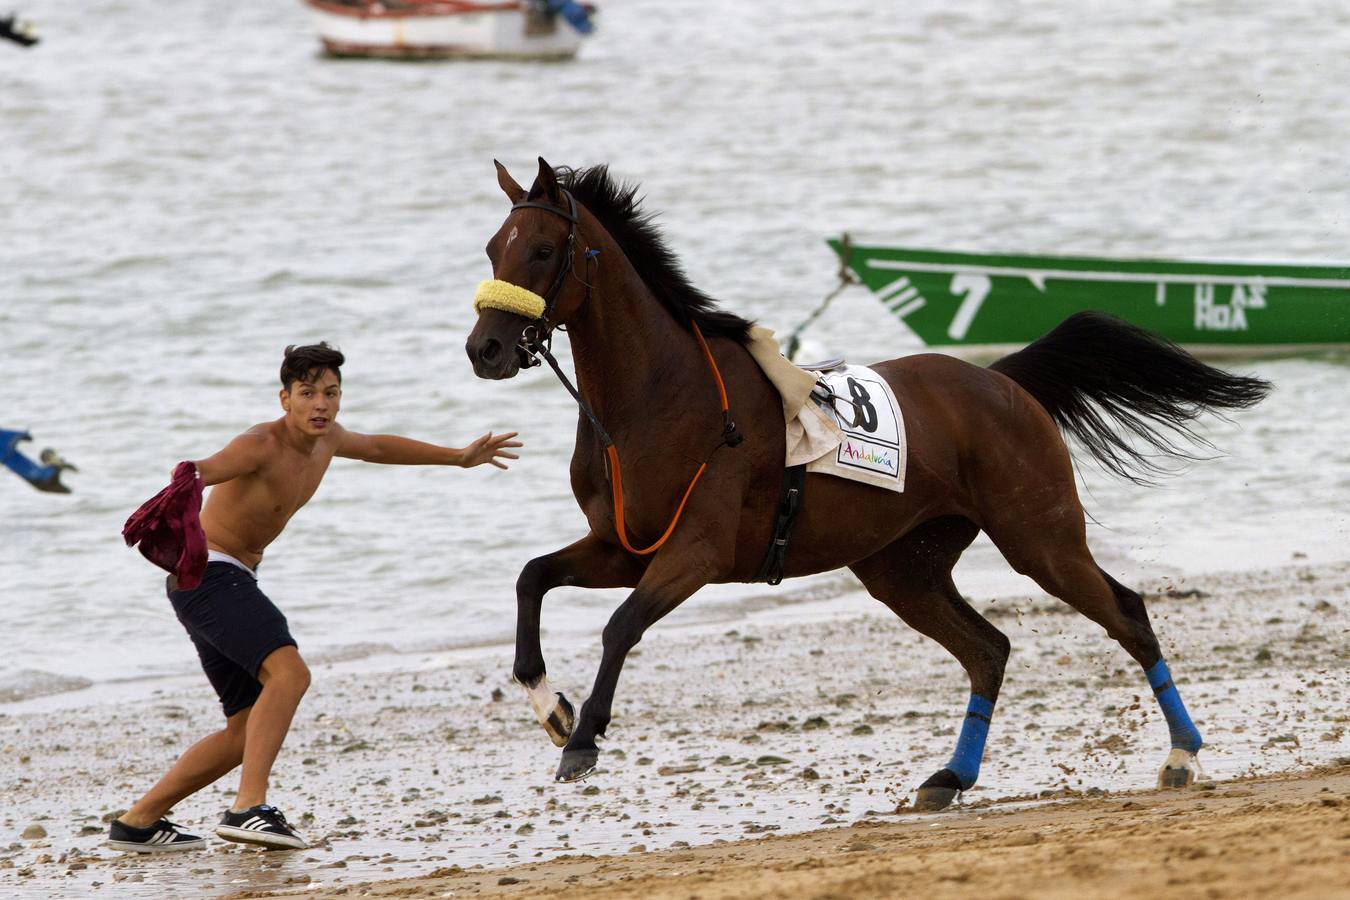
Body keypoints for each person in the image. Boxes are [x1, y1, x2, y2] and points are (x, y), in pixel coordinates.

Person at [108, 342, 521, 853]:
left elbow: (379, 448)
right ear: (286, 399)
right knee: (291, 674)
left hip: (216, 584)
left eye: (330, 393)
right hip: (210, 575)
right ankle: (248, 808)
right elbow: (207, 467)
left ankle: (138, 822)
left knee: (244, 728)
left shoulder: (328, 442)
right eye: (308, 393)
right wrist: (185, 481)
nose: (320, 404)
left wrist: (459, 457)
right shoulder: (260, 444)